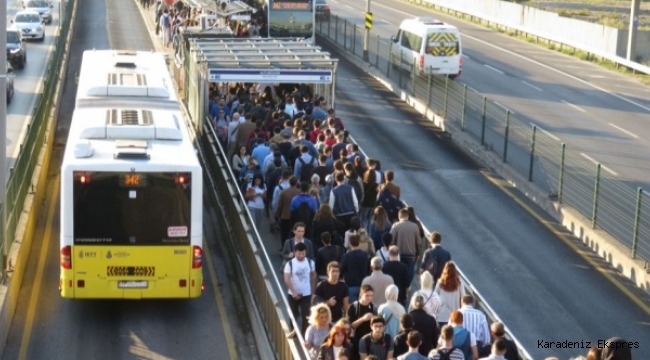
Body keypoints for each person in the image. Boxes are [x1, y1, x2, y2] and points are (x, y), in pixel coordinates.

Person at [284, 242, 317, 335]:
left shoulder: (311, 262)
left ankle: (304, 335)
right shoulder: (290, 264)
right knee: (293, 314)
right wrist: (294, 292)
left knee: (306, 315)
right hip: (292, 294)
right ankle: (294, 331)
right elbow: (287, 278)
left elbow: (313, 275)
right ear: (295, 252)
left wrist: (312, 289)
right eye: (299, 253)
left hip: (306, 293)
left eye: (303, 253)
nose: (301, 255)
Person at [390, 209, 422, 288]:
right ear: (407, 216)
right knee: (410, 271)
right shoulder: (414, 226)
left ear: (399, 216)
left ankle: (399, 285)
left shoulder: (396, 226)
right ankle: (407, 286)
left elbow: (391, 239)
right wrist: (418, 253)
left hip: (398, 253)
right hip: (411, 254)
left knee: (399, 271)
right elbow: (418, 242)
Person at [346, 284, 376, 360]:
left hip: (369, 341)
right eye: (367, 295)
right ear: (360, 294)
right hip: (356, 340)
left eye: (371, 296)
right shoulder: (353, 307)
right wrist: (363, 319)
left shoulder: (373, 308)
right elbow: (349, 326)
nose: (369, 298)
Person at [340, 233, 370, 303]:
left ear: (350, 243)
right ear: (359, 242)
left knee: (352, 309)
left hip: (350, 285)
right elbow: (368, 269)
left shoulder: (346, 256)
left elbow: (341, 269)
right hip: (363, 284)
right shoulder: (365, 255)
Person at [434, 262, 464, 328]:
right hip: (454, 315)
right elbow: (463, 298)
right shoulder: (459, 283)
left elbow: (434, 297)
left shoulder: (440, 282)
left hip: (441, 315)